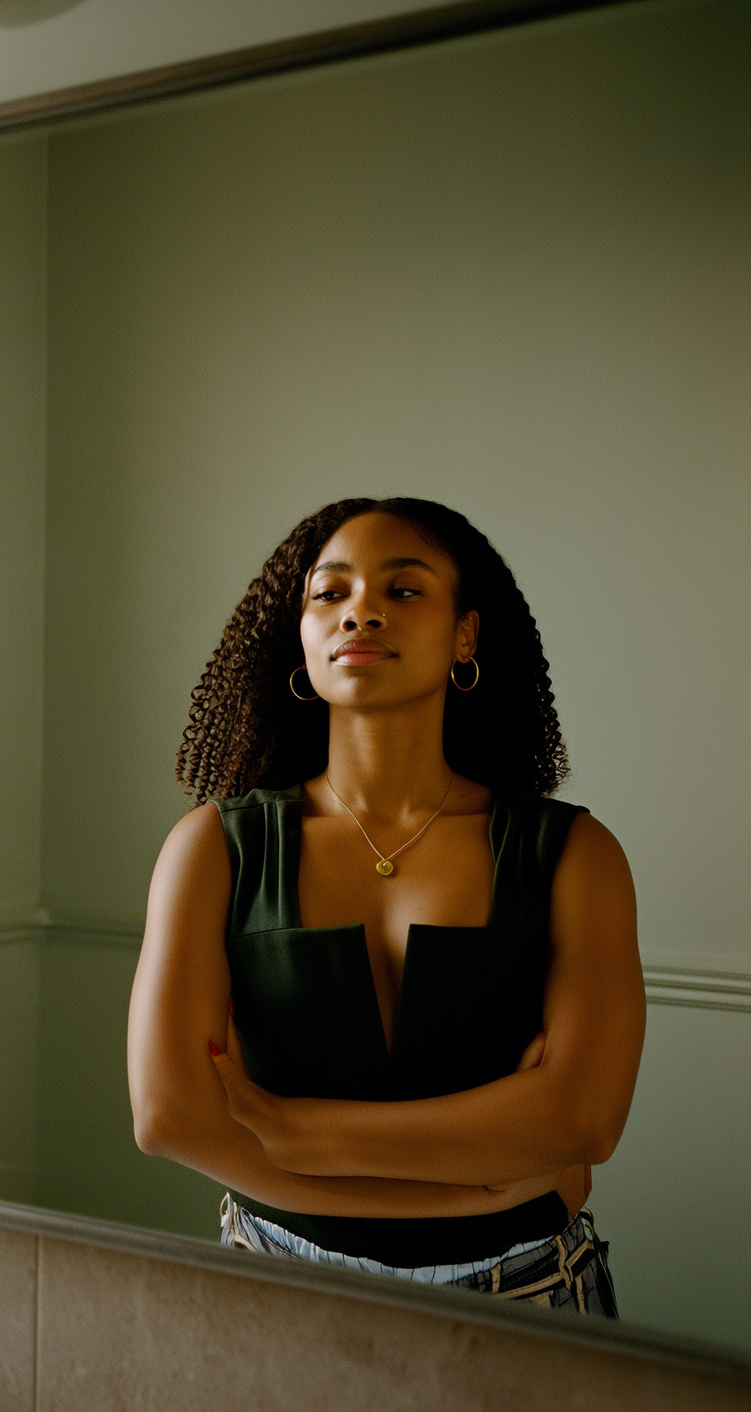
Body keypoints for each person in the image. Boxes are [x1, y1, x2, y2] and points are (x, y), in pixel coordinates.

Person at [126, 497, 641, 1313]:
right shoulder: (212, 848)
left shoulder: (576, 855)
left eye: (403, 591)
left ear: (465, 635)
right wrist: (482, 1184)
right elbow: (170, 1118)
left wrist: (294, 1133)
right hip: (274, 1288)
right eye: (330, 594)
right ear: (300, 638)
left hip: (534, 1298)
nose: (360, 609)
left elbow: (583, 1119)